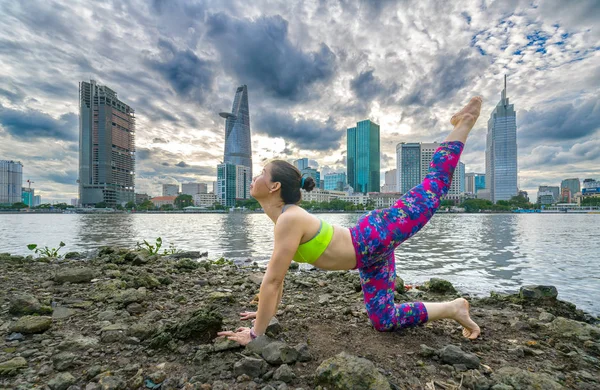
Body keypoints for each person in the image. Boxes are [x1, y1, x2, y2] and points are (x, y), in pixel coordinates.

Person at [218, 97, 483, 345]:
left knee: (433, 188)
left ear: (274, 186)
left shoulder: (290, 218)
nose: (254, 177)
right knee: (385, 320)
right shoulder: (285, 220)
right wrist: (263, 314)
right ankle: (454, 308)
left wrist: (255, 335)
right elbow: (278, 282)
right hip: (370, 256)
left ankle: (466, 121)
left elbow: (273, 281)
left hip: (375, 234)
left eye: (262, 173)